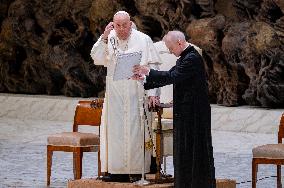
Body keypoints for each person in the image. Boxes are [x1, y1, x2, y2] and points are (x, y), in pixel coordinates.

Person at [132, 31, 216, 188]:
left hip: (194, 113)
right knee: (184, 151)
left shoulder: (191, 58)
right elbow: (171, 74)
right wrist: (145, 77)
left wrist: (148, 72)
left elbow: (173, 76)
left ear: (179, 42)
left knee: (192, 150)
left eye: (170, 47)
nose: (170, 51)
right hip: (186, 112)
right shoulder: (185, 57)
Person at [90, 11, 161, 182]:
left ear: (130, 24)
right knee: (115, 132)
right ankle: (115, 170)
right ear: (112, 24)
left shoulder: (143, 39)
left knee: (135, 132)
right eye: (117, 25)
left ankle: (136, 170)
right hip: (115, 94)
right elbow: (97, 59)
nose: (121, 29)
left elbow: (154, 67)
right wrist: (104, 37)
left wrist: (153, 94)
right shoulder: (110, 38)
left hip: (136, 92)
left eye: (124, 25)